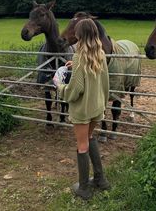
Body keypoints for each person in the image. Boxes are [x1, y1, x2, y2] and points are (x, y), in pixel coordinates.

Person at [54, 18, 110, 200]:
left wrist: (59, 86)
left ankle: (84, 188)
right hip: (97, 107)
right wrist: (75, 66)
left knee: (82, 145)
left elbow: (75, 90)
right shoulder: (100, 54)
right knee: (90, 137)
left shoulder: (79, 58)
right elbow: (104, 83)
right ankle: (100, 180)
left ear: (79, 35)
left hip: (82, 110)